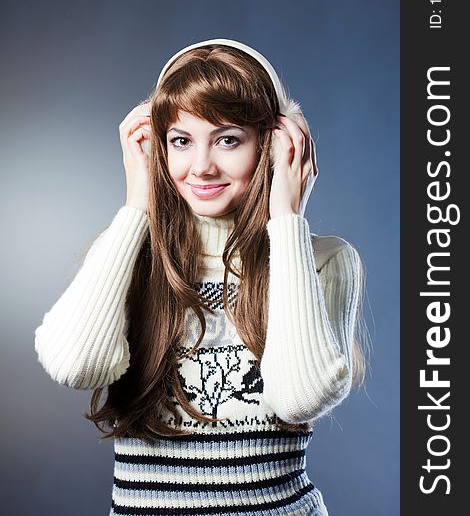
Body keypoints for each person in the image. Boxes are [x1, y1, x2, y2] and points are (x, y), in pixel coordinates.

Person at [34, 38, 367, 516]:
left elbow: (300, 399)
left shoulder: (323, 261)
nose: (202, 166)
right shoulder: (128, 256)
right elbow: (76, 366)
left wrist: (288, 221)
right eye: (181, 141)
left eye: (228, 139)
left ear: (274, 145)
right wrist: (136, 208)